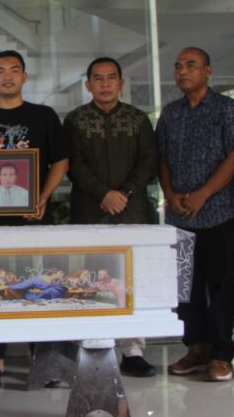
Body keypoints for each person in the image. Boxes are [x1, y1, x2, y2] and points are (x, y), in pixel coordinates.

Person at [0, 50, 69, 383]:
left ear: (24, 76)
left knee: (38, 287)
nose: (7, 76)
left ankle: (44, 362)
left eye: (14, 70)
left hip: (33, 218)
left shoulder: (44, 116)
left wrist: (43, 197)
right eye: (0, 71)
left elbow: (61, 161)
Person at [157, 47, 234, 382]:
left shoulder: (227, 108)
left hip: (218, 213)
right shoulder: (171, 113)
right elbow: (161, 157)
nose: (183, 72)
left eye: (191, 65)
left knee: (221, 286)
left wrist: (203, 194)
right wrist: (170, 195)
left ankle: (221, 355)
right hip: (180, 216)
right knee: (186, 287)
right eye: (178, 66)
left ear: (208, 71)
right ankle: (196, 347)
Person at [63, 57, 158, 377]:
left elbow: (148, 161)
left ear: (121, 83)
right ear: (88, 85)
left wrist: (124, 193)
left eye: (111, 77)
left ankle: (133, 351)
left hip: (133, 210)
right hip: (91, 210)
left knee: (132, 279)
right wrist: (104, 193)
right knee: (92, 277)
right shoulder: (76, 120)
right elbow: (73, 164)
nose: (105, 84)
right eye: (98, 78)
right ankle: (95, 345)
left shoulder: (137, 119)